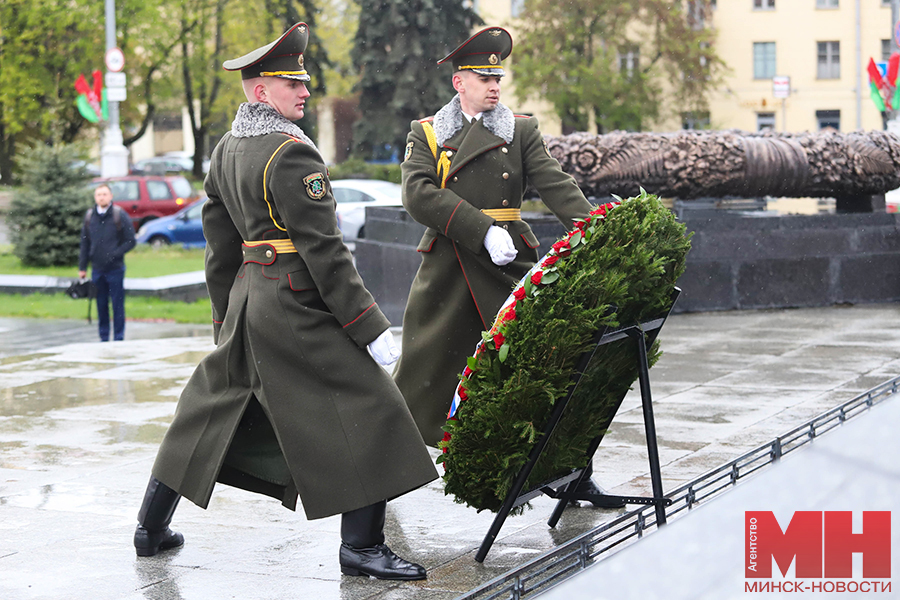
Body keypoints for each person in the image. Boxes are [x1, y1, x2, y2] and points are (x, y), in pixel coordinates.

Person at [132, 23, 438, 581]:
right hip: (295, 302)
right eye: (289, 83)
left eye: (303, 82)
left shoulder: (228, 149)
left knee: (210, 405)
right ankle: (362, 548)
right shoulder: (292, 155)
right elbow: (325, 254)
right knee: (370, 406)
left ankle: (151, 528)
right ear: (258, 92)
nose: (303, 91)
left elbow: (220, 244)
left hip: (251, 299)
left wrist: (226, 314)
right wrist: (369, 326)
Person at [393, 26, 622, 507]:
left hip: (509, 265)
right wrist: (479, 228)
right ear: (460, 82)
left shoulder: (520, 129)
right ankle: (386, 472)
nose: (494, 84)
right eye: (483, 76)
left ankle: (573, 474)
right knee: (422, 378)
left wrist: (596, 229)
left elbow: (554, 183)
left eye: (498, 75)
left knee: (549, 365)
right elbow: (417, 194)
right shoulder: (429, 132)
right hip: (451, 267)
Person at [78, 183, 136, 342]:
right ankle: (103, 337)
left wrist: (114, 254)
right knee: (100, 304)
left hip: (115, 268)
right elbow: (85, 243)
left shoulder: (119, 215)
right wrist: (82, 267)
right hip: (97, 269)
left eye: (104, 194)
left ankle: (119, 337)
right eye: (98, 195)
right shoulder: (90, 217)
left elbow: (131, 240)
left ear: (110, 196)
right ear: (95, 197)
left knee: (117, 304)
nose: (101, 197)